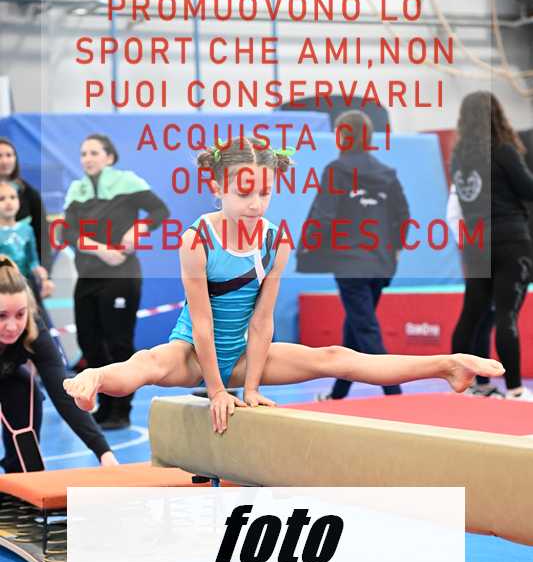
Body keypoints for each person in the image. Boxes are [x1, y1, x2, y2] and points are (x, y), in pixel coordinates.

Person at [63, 138, 504, 435]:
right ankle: (93, 378)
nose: (256, 204)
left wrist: (251, 388)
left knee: (336, 357)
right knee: (146, 364)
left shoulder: (275, 240)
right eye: (244, 194)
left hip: (247, 352)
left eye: (265, 193)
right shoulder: (197, 239)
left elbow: (262, 321)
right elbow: (201, 324)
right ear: (217, 187)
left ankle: (447, 365)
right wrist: (217, 391)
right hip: (194, 352)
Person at [296, 109, 410, 400]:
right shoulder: (386, 173)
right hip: (381, 263)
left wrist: (307, 246)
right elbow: (403, 215)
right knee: (356, 327)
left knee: (366, 329)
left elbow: (323, 215)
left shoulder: (337, 171)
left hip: (351, 263)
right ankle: (337, 394)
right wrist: (395, 250)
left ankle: (396, 395)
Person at [63, 133, 170, 430]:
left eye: (94, 152)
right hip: (88, 275)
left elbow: (160, 211)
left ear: (109, 157)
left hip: (122, 276)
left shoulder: (128, 183)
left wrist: (138, 230)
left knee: (118, 342)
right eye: (83, 153)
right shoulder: (77, 190)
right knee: (89, 341)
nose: (87, 158)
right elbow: (66, 232)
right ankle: (105, 404)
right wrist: (100, 249)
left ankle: (121, 409)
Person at [450, 91, 533, 401]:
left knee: (471, 314)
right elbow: (527, 189)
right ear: (497, 116)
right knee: (505, 316)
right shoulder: (503, 150)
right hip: (509, 240)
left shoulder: (459, 158)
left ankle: (463, 386)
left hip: (476, 244)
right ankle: (514, 389)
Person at [0, 256, 117, 473]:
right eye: (1, 316)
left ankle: (20, 474)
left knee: (25, 389)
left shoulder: (34, 330)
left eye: (20, 314)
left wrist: (103, 451)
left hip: (8, 377)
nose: (12, 326)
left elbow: (63, 390)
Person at [0, 137, 52, 274]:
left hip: (25, 277)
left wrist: (45, 274)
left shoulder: (30, 194)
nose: (4, 161)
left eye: (9, 155)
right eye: (0, 156)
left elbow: (42, 237)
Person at [0, 181, 53, 298]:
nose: (8, 202)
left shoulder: (27, 229)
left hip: (25, 286)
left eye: (13, 197)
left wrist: (42, 275)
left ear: (19, 201)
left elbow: (33, 260)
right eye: (2, 199)